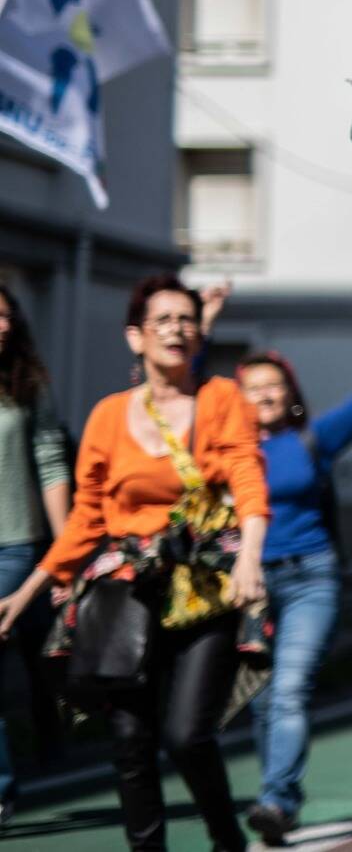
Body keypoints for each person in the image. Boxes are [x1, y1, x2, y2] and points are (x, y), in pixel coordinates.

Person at [0, 274, 269, 852]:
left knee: (188, 735)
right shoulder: (107, 416)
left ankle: (229, 842)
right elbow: (84, 519)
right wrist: (27, 592)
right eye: (163, 320)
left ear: (200, 334)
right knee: (129, 741)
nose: (177, 329)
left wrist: (250, 557)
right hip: (126, 591)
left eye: (187, 319)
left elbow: (247, 477)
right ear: (136, 337)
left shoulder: (221, 400)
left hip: (203, 587)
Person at [235, 299, 352, 843]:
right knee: (264, 700)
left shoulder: (310, 442)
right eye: (254, 388)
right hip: (251, 587)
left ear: (291, 394)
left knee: (290, 689)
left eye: (276, 386)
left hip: (311, 578)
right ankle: (282, 796)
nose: (267, 395)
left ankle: (275, 799)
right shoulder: (224, 453)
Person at [0, 284, 70, 825]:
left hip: (16, 545)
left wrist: (67, 551)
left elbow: (50, 462)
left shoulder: (26, 385)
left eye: (4, 316)